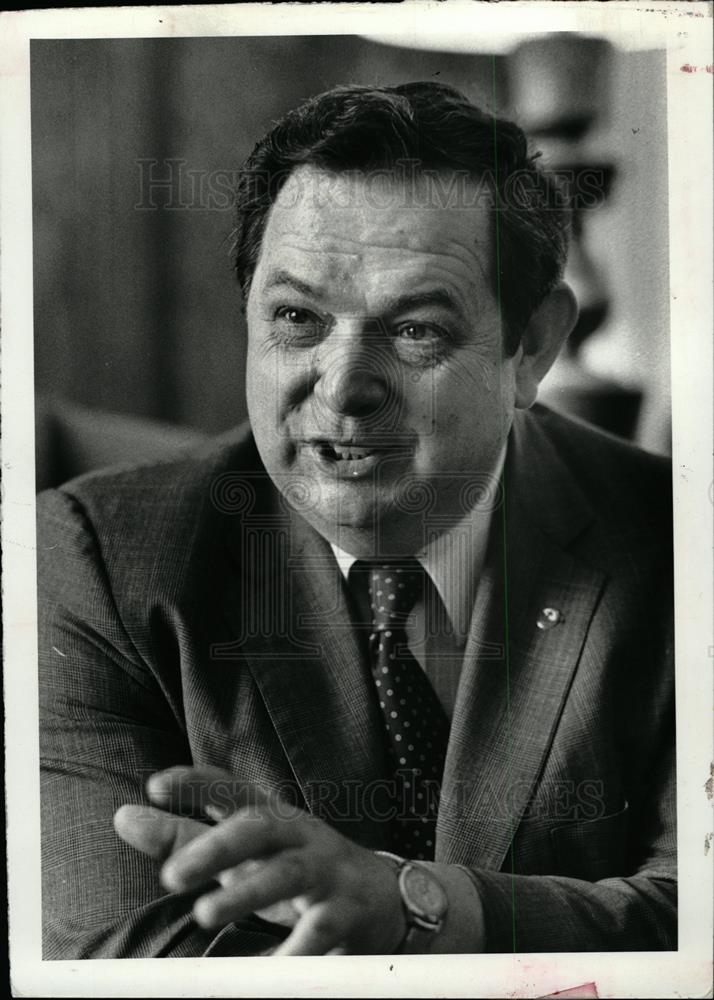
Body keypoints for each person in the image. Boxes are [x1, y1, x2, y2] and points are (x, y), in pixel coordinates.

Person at [37, 82, 675, 958]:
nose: (342, 387)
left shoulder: (682, 543)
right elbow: (130, 959)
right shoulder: (94, 565)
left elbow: (697, 917)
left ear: (531, 347)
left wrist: (422, 910)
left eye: (415, 329)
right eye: (297, 318)